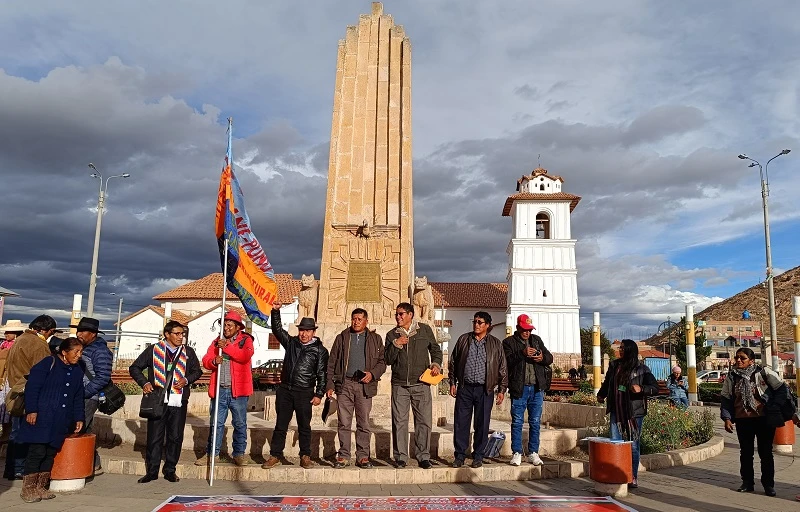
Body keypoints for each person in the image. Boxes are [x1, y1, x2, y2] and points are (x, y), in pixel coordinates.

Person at [129, 321, 202, 483]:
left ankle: (170, 469)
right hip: (158, 399)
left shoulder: (188, 352)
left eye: (182, 334)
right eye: (177, 334)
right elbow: (134, 368)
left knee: (175, 436)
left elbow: (197, 371)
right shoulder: (154, 350)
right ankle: (152, 471)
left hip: (179, 399)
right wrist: (145, 383)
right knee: (155, 436)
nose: (180, 337)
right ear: (167, 334)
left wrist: (186, 379)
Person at [16, 337, 85, 502]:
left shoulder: (77, 370)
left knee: (50, 452)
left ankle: (41, 487)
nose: (79, 355)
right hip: (42, 417)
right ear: (64, 352)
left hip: (61, 420)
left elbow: (78, 396)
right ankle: (28, 489)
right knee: (37, 451)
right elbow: (33, 388)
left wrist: (79, 417)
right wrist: (32, 410)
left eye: (81, 352)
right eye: (76, 351)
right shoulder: (48, 363)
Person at [262, 305, 328, 470]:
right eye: (301, 330)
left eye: (307, 331)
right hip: (285, 390)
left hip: (304, 391)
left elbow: (322, 374)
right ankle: (275, 455)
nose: (304, 334)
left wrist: (319, 394)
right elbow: (277, 330)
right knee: (281, 425)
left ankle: (305, 455)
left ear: (313, 332)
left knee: (304, 426)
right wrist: (275, 312)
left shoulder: (320, 351)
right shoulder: (291, 343)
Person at [384, 302, 443, 469]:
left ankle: (423, 456)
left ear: (410, 315)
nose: (398, 317)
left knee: (424, 421)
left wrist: (436, 364)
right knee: (399, 421)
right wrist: (396, 344)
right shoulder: (391, 335)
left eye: (401, 314)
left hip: (421, 383)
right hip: (400, 385)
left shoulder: (424, 330)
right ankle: (401, 457)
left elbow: (436, 350)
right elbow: (387, 359)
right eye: (396, 314)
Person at [326, 308, 386, 469]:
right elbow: (332, 363)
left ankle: (363, 456)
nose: (356, 322)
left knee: (363, 423)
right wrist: (330, 385)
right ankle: (344, 455)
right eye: (354, 319)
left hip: (364, 385)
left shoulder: (375, 339)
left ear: (366, 321)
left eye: (360, 319)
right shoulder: (342, 338)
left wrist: (372, 374)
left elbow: (382, 362)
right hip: (345, 384)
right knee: (344, 422)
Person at [720, 347, 783, 497]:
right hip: (743, 421)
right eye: (737, 358)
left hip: (764, 420)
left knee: (765, 453)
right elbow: (726, 398)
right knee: (746, 453)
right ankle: (747, 483)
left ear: (752, 361)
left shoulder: (763, 373)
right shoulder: (731, 377)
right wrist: (727, 418)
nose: (739, 360)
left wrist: (775, 407)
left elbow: (782, 390)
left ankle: (768, 485)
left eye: (742, 358)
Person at [596, 339, 658, 489]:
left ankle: (632, 476)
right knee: (615, 443)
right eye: (620, 347)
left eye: (623, 348)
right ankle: (617, 474)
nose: (620, 350)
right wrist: (601, 394)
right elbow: (607, 383)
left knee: (634, 445)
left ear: (631, 350)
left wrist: (641, 388)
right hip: (616, 411)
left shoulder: (642, 369)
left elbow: (655, 388)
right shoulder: (614, 365)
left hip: (634, 414)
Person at [448, 311, 508, 468]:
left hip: (484, 389)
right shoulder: (463, 340)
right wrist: (452, 382)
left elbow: (502, 368)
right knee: (461, 423)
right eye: (474, 321)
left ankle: (478, 455)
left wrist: (501, 389)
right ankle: (459, 455)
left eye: (480, 322)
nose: (476, 324)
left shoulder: (495, 344)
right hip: (465, 388)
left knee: (482, 423)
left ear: (487, 325)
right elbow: (453, 361)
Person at [196, 310, 255, 466]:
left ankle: (239, 454)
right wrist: (214, 361)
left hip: (239, 392)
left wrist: (227, 347)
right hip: (219, 390)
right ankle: (212, 454)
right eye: (224, 325)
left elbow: (244, 357)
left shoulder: (246, 340)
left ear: (237, 327)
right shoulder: (216, 342)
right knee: (216, 423)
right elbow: (206, 360)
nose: (226, 328)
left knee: (240, 423)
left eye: (229, 325)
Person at [4, 315, 57, 481]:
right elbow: (44, 372)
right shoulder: (37, 344)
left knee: (16, 433)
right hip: (28, 393)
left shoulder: (20, 340)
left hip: (16, 390)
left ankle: (11, 469)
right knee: (24, 434)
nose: (50, 336)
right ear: (43, 330)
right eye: (51, 332)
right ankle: (20, 468)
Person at [502, 314, 552, 467]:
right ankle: (517, 452)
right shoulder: (509, 342)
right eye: (524, 330)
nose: (527, 333)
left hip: (537, 388)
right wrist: (522, 354)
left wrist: (542, 357)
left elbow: (549, 358)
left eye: (529, 330)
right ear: (518, 328)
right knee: (517, 421)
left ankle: (533, 452)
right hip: (519, 387)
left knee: (535, 422)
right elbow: (506, 361)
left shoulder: (536, 340)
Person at [73, 317, 112, 475]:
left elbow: (103, 377)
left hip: (89, 397)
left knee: (76, 429)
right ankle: (93, 465)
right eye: (78, 330)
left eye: (83, 331)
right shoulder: (84, 348)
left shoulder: (100, 351)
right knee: (85, 431)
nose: (79, 333)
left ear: (93, 334)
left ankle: (80, 464)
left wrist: (85, 392)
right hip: (82, 396)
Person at [0, 320, 25, 444]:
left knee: (10, 406)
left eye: (8, 332)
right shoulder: (4, 345)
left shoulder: (16, 347)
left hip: (11, 381)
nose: (6, 334)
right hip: (3, 381)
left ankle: (7, 434)